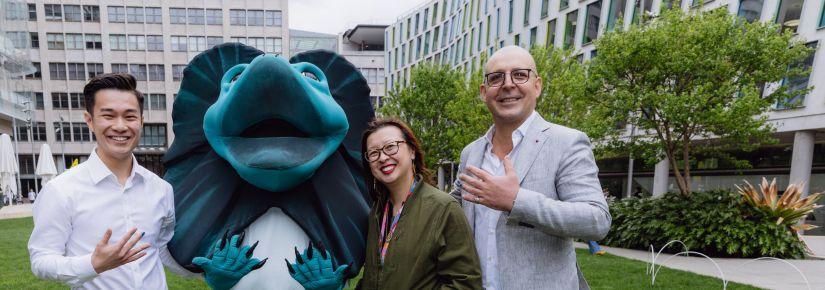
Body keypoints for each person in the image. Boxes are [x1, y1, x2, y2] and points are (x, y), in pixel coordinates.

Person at [28, 73, 261, 289]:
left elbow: (159, 249)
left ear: (141, 120)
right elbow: (41, 260)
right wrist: (93, 263)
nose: (120, 126)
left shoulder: (161, 189)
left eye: (129, 116)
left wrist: (205, 271)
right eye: (108, 116)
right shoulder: (61, 190)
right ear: (90, 121)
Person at [451, 46, 611, 290]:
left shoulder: (567, 142)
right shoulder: (471, 153)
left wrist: (516, 201)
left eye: (519, 75)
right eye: (496, 77)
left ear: (537, 85)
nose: (507, 84)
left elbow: (596, 220)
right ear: (484, 92)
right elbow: (449, 209)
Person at [287, 118, 482, 289]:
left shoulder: (444, 208)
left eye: (391, 147)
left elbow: (465, 284)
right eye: (373, 153)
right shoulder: (376, 214)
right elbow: (374, 281)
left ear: (412, 151)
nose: (382, 157)